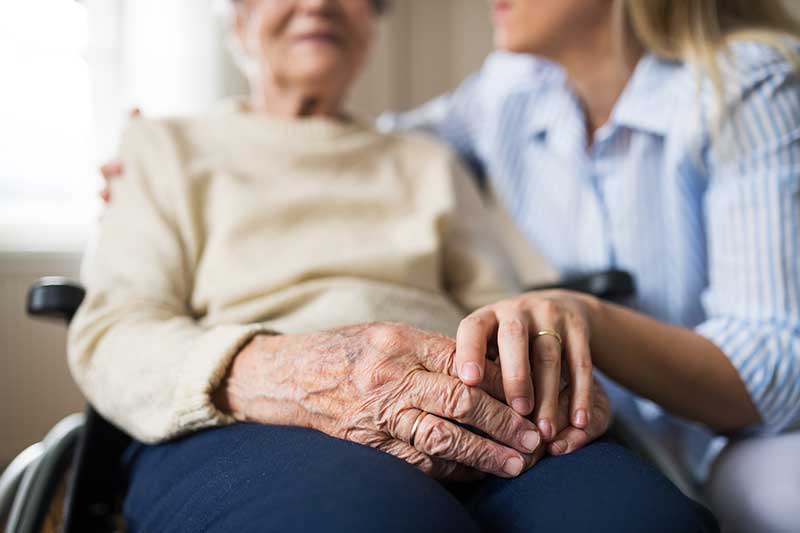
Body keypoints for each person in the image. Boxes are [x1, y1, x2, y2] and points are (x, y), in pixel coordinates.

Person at [73, 0, 717, 531]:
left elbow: (497, 302)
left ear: (370, 27)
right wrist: (286, 374)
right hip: (252, 417)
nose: (320, 4)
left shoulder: (424, 158)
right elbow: (113, 333)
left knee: (641, 517)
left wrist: (544, 375)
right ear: (237, 21)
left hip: (462, 404)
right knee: (368, 518)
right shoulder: (163, 147)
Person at [378, 1, 800, 532]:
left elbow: (779, 371)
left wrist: (588, 318)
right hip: (625, 437)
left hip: (757, 438)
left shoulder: (746, 83)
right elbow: (378, 146)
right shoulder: (512, 92)